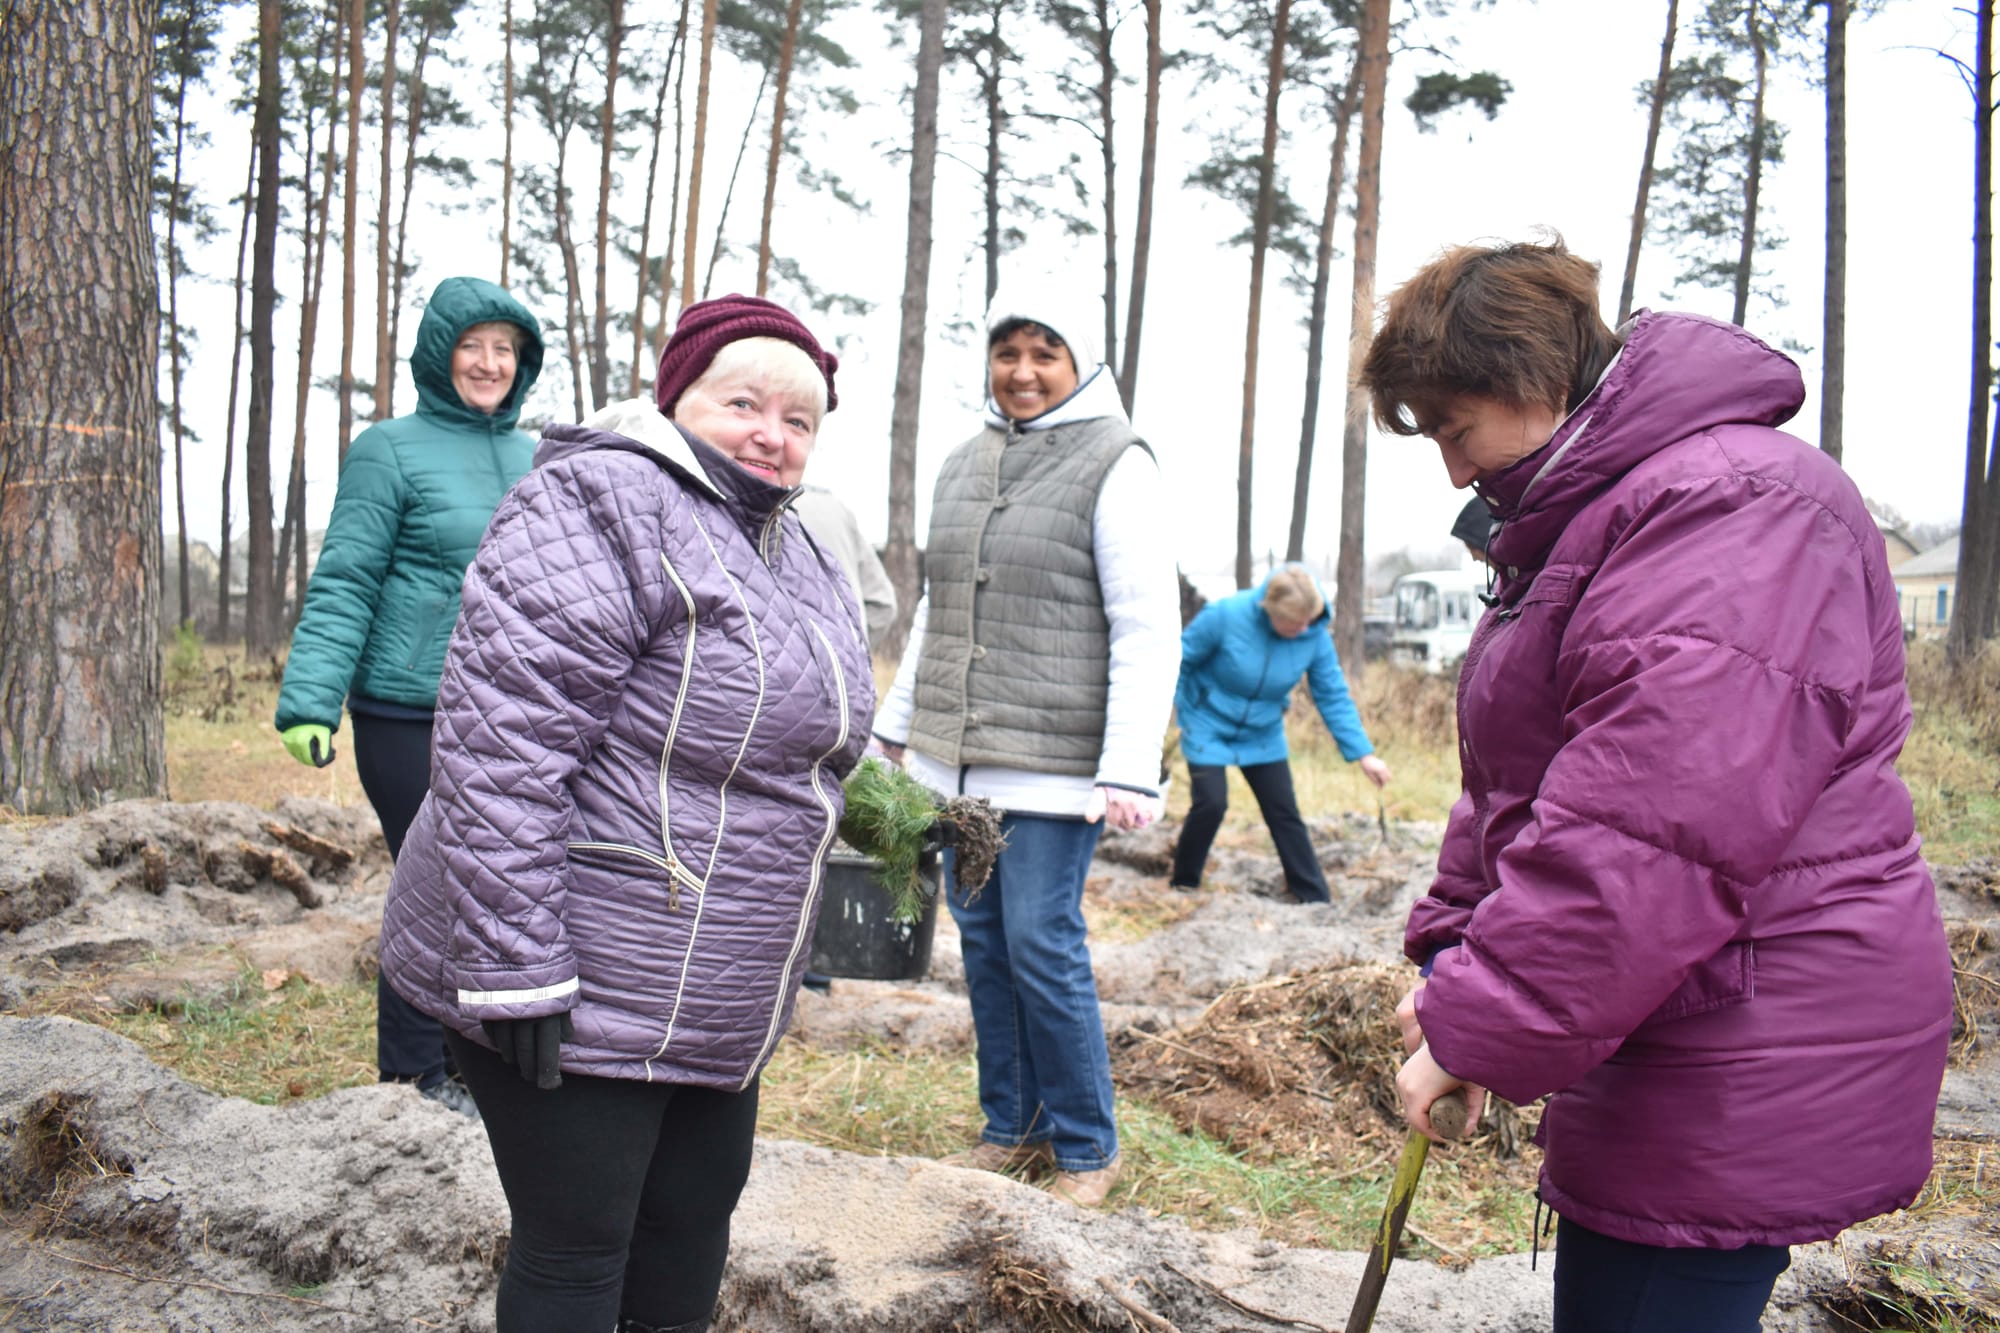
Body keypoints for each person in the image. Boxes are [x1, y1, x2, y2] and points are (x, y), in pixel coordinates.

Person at [1360, 237, 1953, 1332]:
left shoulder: (1734, 506)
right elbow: (1522, 779)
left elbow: (1649, 825)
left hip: (1748, 1020)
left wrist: (1485, 1016)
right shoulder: (1596, 524)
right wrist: (1455, 957)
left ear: (1530, 377)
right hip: (1670, 1008)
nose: (1451, 471)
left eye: (1453, 427)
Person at [376, 294, 871, 1333]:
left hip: (715, 977)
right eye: (744, 403)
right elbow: (502, 746)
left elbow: (800, 739)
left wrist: (903, 811)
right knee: (579, 1240)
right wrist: (516, 966)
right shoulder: (601, 500)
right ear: (678, 396)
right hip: (582, 962)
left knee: (690, 1221)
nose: (771, 435)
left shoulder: (797, 547)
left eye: (799, 419)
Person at [871, 276, 1179, 1210]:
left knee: (1042, 941)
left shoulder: (1116, 459)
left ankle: (1087, 1144)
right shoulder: (962, 462)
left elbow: (1146, 623)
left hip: (1055, 765)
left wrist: (1130, 764)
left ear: (1082, 364)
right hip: (959, 760)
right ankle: (1012, 1125)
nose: (1024, 370)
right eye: (1008, 351)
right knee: (985, 945)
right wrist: (897, 724)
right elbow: (938, 608)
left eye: (1047, 353)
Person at [274, 275, 544, 1116]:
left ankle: (473, 1068)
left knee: (494, 886)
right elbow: (346, 578)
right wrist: (311, 698)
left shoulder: (539, 456)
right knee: (431, 880)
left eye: (505, 349)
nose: (490, 363)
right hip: (406, 709)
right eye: (473, 346)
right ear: (439, 355)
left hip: (507, 711)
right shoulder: (387, 449)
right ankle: (413, 1073)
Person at [1169, 564, 1392, 902]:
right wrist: (1182, 711)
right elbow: (1178, 661)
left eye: (1308, 622)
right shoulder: (1225, 616)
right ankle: (1183, 885)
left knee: (1283, 810)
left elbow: (1331, 695)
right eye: (1294, 623)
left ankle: (1314, 898)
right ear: (1269, 610)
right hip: (1207, 722)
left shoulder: (1313, 634)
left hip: (1263, 730)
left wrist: (1364, 754)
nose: (1303, 629)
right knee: (1211, 803)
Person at [792, 483, 897, 651]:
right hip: (846, 656)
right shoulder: (836, 509)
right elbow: (883, 603)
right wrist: (852, 649)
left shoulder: (763, 508)